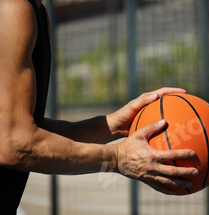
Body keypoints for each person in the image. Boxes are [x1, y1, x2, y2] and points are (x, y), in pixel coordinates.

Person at [0, 0, 198, 213]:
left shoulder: (36, 12)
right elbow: (14, 144)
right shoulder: (13, 9)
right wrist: (117, 157)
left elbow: (20, 128)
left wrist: (114, 125)